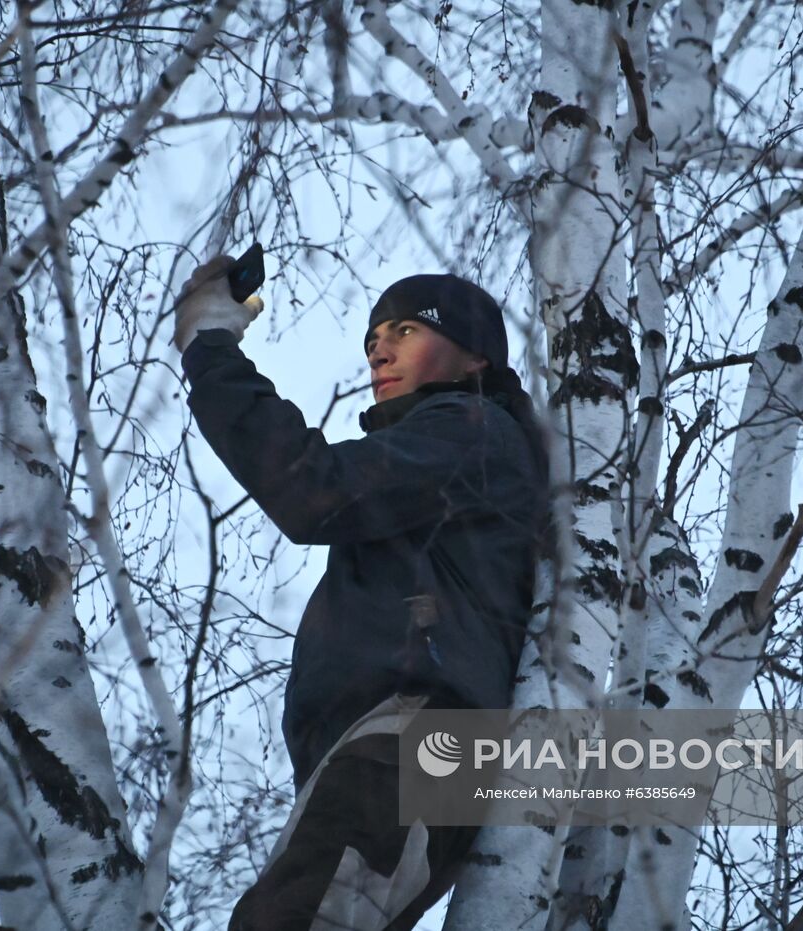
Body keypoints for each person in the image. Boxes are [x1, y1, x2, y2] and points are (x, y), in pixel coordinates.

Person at [174, 255, 547, 931]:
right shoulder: (444, 459)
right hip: (384, 744)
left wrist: (211, 348)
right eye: (373, 337)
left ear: (473, 360)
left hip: (415, 733)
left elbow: (313, 487)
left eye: (405, 329)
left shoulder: (472, 430)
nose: (379, 347)